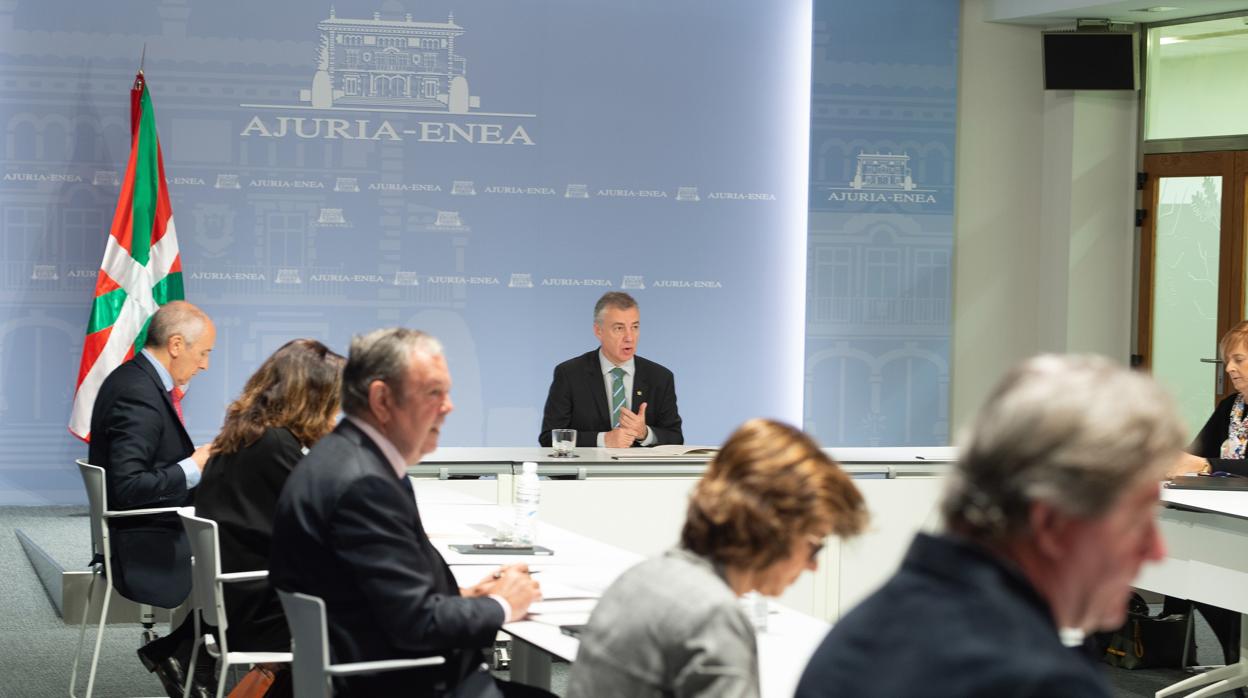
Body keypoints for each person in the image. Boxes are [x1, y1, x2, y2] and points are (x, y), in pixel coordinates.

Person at [794, 354, 1186, 698]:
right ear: (1049, 522)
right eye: (1137, 522)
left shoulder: (871, 627)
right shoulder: (1035, 679)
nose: (1156, 550)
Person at [269, 328, 545, 698]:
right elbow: (418, 624)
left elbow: (380, 596)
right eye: (434, 392)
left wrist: (464, 596)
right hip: (404, 682)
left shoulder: (345, 459)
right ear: (382, 399)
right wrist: (503, 604)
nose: (448, 406)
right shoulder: (365, 483)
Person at [566, 419, 868, 698]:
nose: (814, 566)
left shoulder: (644, 576)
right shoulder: (712, 616)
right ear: (773, 529)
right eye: (814, 547)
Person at [87, 300, 216, 697]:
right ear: (176, 344)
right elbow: (128, 487)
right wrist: (195, 466)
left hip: (147, 525)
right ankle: (188, 656)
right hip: (146, 539)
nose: (205, 365)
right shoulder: (138, 394)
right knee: (251, 554)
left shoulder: (134, 380)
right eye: (203, 353)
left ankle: (183, 654)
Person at [195, 339, 344, 656]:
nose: (337, 411)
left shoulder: (247, 431)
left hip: (240, 597)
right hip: (266, 609)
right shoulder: (274, 445)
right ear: (312, 398)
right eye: (334, 401)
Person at [1162, 320, 1248, 665]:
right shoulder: (1232, 407)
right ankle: (1230, 656)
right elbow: (1197, 454)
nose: (1229, 368)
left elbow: (1205, 463)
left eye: (1239, 360)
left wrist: (1206, 466)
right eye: (1228, 360)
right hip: (1223, 516)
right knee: (1182, 555)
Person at [539, 291, 683, 448]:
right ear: (598, 331)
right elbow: (549, 438)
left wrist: (645, 433)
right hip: (586, 472)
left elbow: (676, 438)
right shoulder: (569, 374)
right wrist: (603, 440)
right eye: (619, 328)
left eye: (635, 327)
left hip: (640, 472)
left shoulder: (660, 377)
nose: (629, 337)